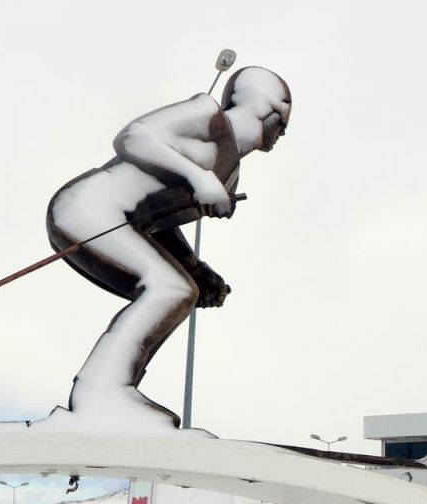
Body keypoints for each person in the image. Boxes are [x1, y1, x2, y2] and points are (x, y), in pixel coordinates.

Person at [46, 67, 291, 426]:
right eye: (284, 111)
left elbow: (155, 222)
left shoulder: (229, 170)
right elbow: (133, 136)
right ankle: (101, 392)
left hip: (116, 218)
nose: (284, 130)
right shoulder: (208, 118)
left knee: (180, 289)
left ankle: (113, 390)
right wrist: (198, 177)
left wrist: (195, 267)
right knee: (170, 288)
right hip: (87, 206)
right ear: (267, 106)